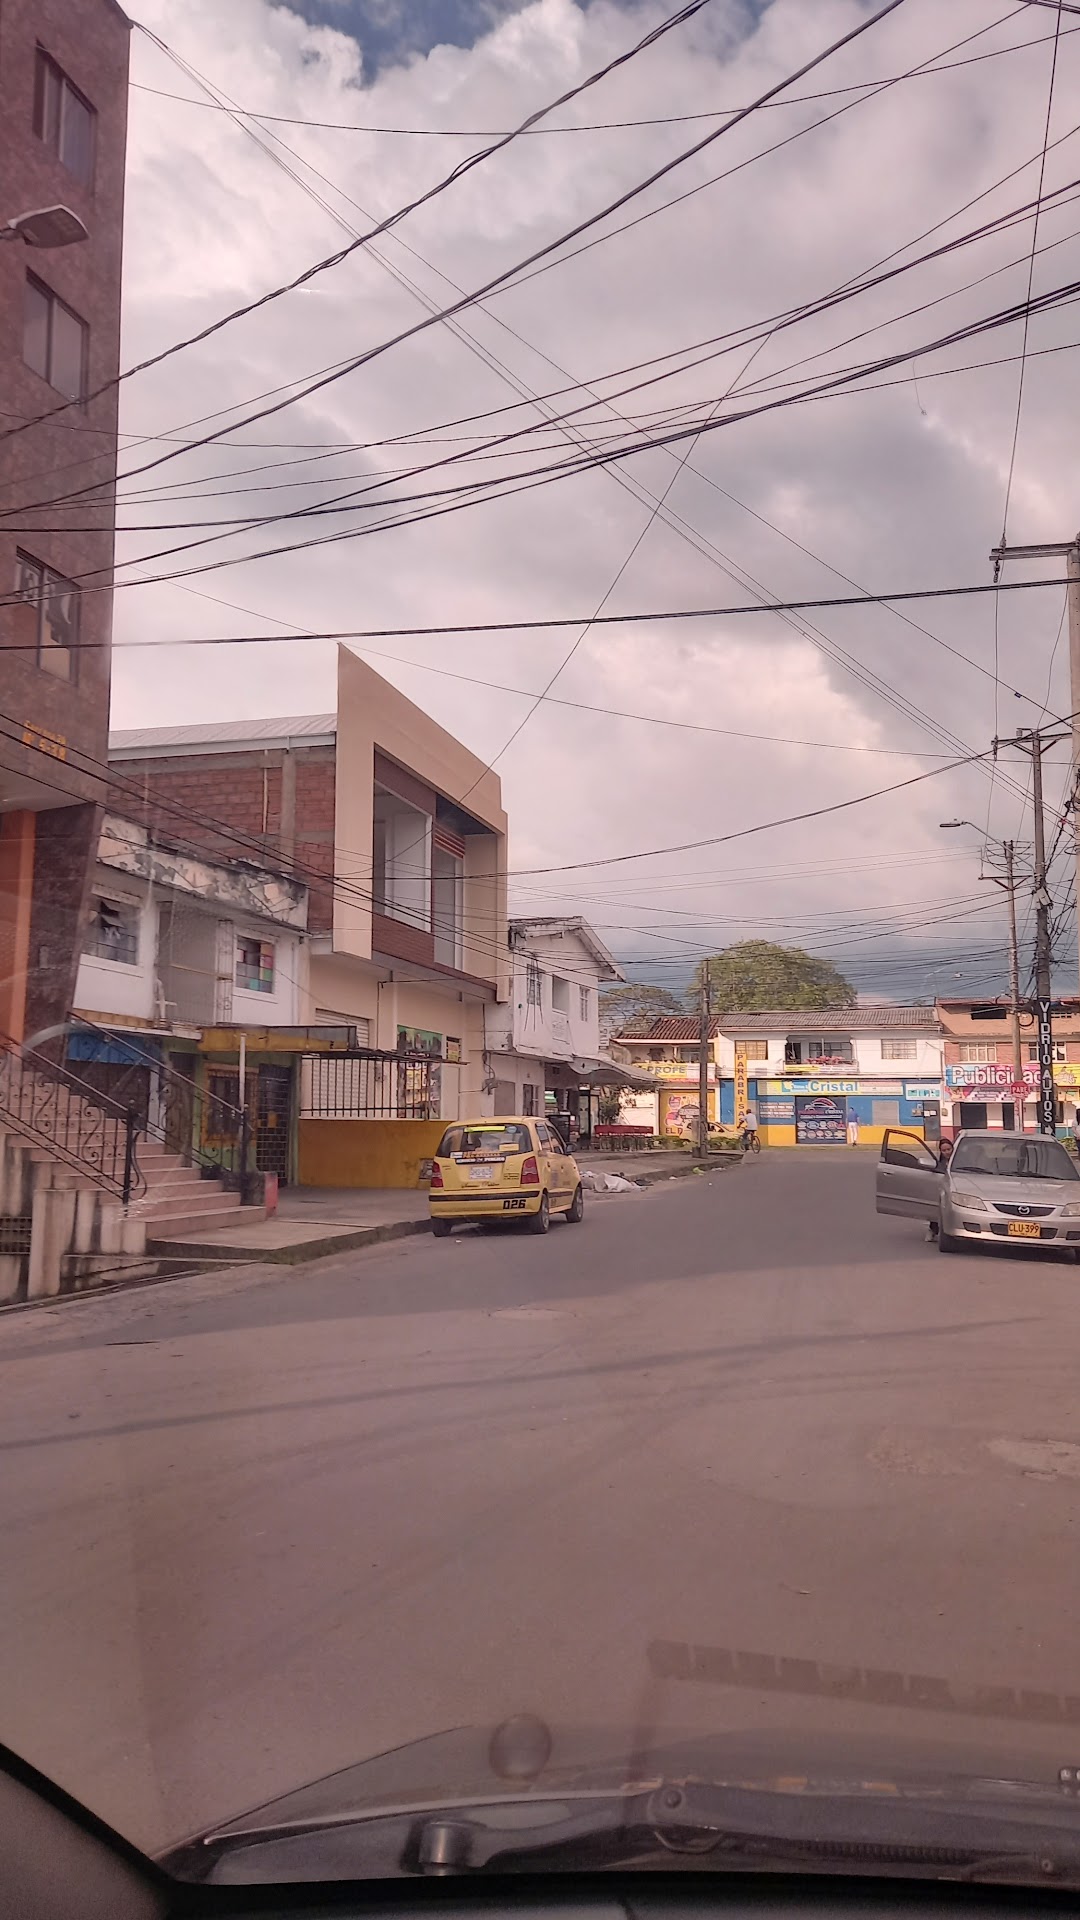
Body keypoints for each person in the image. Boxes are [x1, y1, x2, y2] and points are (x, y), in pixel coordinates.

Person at [925, 1137, 952, 1242]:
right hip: (943, 1190)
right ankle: (932, 1230)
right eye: (944, 1150)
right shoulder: (939, 1164)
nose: (947, 1152)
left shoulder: (959, 1161)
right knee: (939, 1210)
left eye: (949, 1149)